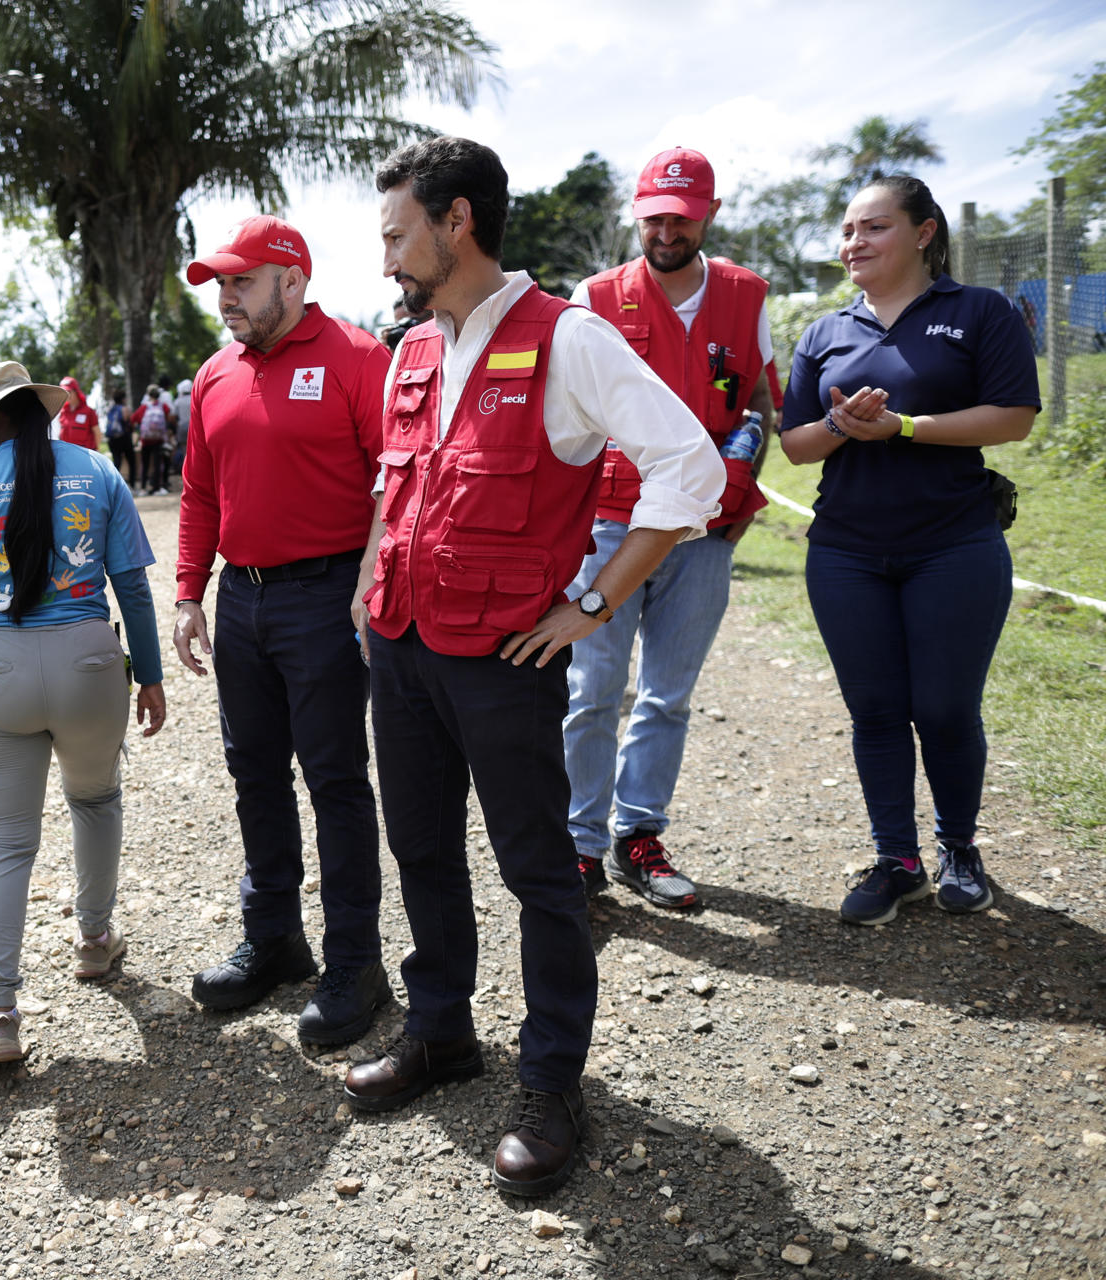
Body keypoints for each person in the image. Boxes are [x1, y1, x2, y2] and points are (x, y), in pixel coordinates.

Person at [351, 137, 723, 1196]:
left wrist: (592, 603)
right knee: (419, 847)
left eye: (395, 234)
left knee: (540, 873)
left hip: (506, 658)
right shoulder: (414, 348)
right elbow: (398, 489)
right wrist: (370, 589)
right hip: (404, 647)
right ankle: (441, 1032)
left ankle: (552, 1079)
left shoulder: (570, 336)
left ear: (455, 220)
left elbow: (687, 465)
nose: (385, 260)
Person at [777, 175, 1038, 926]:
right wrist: (842, 427)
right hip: (846, 551)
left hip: (953, 543)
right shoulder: (825, 332)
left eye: (874, 228)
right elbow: (796, 445)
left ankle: (959, 847)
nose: (852, 243)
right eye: (848, 231)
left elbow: (1013, 417)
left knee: (947, 708)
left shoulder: (978, 312)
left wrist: (907, 427)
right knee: (877, 711)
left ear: (924, 233)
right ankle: (897, 860)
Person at [0, 362, 166, 1064]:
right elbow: (133, 591)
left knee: (2, 843)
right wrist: (150, 678)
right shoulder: (98, 470)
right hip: (88, 662)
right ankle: (94, 940)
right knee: (96, 799)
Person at [175, 214, 393, 1048]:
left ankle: (355, 963)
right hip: (244, 600)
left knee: (335, 779)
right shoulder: (214, 373)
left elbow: (392, 484)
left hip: (327, 594)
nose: (225, 297)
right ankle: (273, 939)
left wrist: (371, 580)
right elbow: (199, 491)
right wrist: (192, 590)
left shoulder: (357, 358)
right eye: (219, 283)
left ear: (292, 281)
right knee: (253, 773)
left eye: (239, 281)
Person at [562, 147, 779, 909]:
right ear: (638, 213)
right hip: (612, 525)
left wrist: (737, 491)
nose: (665, 230)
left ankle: (637, 835)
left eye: (681, 218)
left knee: (667, 695)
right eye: (654, 215)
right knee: (593, 687)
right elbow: (570, 417)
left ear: (708, 216)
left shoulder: (748, 297)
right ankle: (580, 845)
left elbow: (756, 403)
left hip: (704, 532)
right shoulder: (592, 298)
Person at [134, 385, 172, 494]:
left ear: (148, 395)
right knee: (157, 464)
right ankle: (156, 488)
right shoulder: (163, 406)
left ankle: (142, 488)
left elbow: (134, 418)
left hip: (145, 440)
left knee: (145, 464)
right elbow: (169, 418)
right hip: (158, 439)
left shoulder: (144, 407)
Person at [103, 384, 138, 489]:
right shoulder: (125, 409)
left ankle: (115, 486)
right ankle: (132, 485)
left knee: (116, 462)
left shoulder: (110, 409)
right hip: (124, 438)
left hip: (112, 439)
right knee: (131, 461)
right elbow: (130, 423)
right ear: (123, 398)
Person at [56, 376, 102, 451]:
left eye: (69, 392)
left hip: (85, 455)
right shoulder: (62, 412)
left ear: (76, 391)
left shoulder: (89, 411)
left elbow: (97, 433)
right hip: (67, 454)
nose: (67, 395)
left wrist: (97, 451)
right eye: (64, 392)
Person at [171, 378, 194, 476]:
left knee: (185, 450)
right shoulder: (194, 398)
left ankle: (186, 471)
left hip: (181, 427)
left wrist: (177, 425)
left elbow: (172, 416)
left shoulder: (178, 401)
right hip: (193, 427)